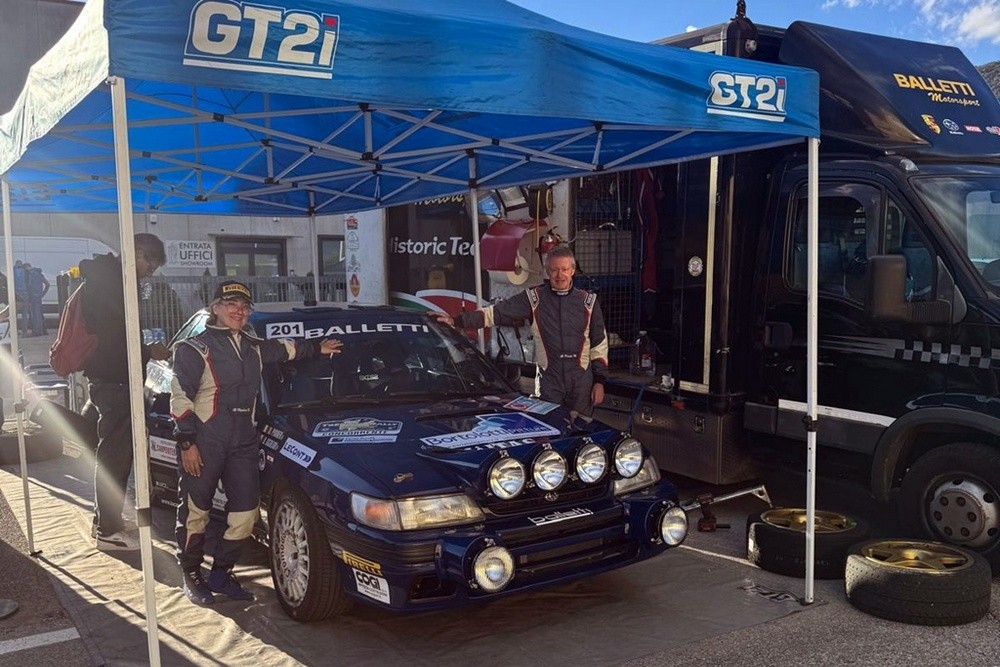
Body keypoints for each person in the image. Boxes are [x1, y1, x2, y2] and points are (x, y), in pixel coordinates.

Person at [171, 280, 343, 605]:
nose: (239, 311)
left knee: (247, 513)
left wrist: (317, 347)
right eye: (231, 304)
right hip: (205, 442)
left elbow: (288, 349)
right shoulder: (193, 349)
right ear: (215, 307)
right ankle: (191, 575)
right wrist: (186, 442)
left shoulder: (254, 346)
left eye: (244, 306)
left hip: (243, 443)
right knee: (196, 513)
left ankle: (221, 574)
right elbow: (180, 398)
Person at [431, 245, 608, 415]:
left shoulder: (588, 302)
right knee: (549, 427)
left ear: (573, 271)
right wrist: (456, 320)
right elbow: (495, 313)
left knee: (584, 427)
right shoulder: (534, 298)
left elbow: (599, 344)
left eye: (564, 269)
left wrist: (599, 381)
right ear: (547, 271)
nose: (559, 275)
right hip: (549, 381)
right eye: (554, 270)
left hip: (581, 382)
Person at [79, 233, 171, 551]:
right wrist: (149, 351)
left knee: (113, 453)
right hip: (115, 380)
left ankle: (106, 520)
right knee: (115, 456)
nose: (149, 274)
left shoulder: (107, 279)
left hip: (111, 378)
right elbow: (115, 340)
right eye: (150, 266)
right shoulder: (112, 284)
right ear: (138, 254)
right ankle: (108, 531)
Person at [26, 265, 50, 336]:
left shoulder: (31, 274)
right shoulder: (39, 273)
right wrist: (42, 294)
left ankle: (36, 332)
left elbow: (29, 285)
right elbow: (47, 284)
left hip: (33, 296)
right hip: (38, 297)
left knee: (35, 315)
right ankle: (40, 331)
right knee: (39, 314)